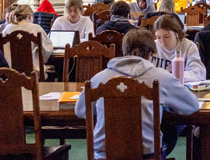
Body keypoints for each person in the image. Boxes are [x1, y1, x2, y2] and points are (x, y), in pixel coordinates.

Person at [76, 29, 199, 159]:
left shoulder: (99, 78)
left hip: (104, 156)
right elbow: (192, 105)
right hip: (147, 155)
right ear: (150, 55)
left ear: (124, 52)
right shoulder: (162, 78)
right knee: (176, 126)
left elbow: (80, 111)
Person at [152, 14, 206, 83]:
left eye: (166, 37)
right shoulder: (153, 46)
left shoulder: (188, 46)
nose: (162, 41)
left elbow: (198, 73)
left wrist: (171, 77)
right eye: (158, 37)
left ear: (176, 33)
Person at [1, 4, 53, 73]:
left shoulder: (7, 29)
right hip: (33, 73)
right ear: (30, 16)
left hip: (10, 73)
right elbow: (48, 49)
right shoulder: (36, 28)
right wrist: (42, 60)